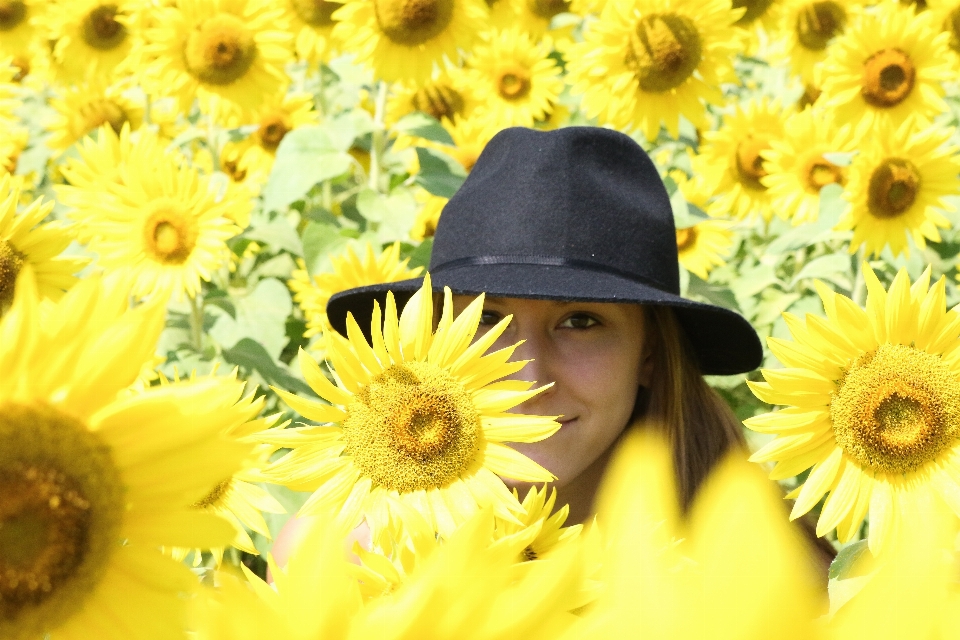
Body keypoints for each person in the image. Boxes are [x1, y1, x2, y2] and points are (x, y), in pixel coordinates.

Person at [272, 126, 831, 569]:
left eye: (580, 322)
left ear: (651, 355)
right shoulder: (341, 565)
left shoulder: (763, 579)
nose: (527, 375)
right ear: (430, 342)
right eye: (485, 320)